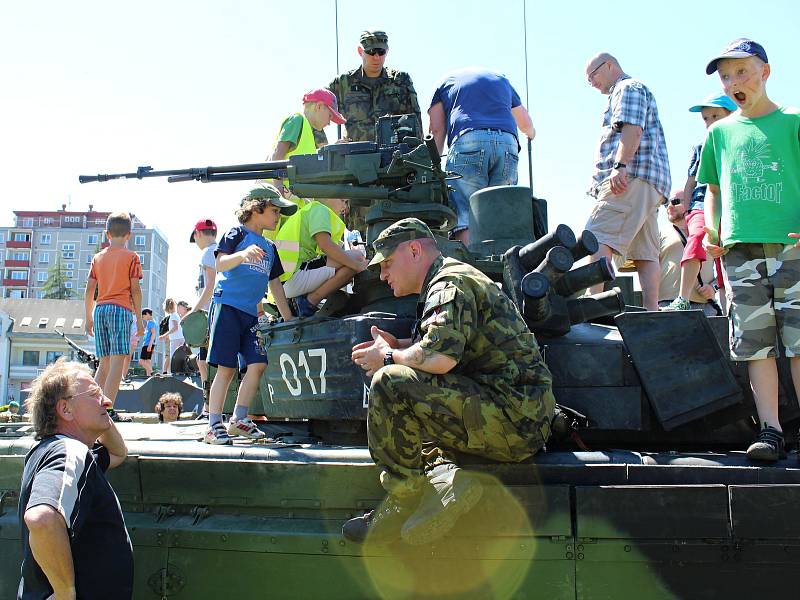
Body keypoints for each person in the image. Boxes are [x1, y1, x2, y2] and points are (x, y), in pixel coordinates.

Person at [343, 218, 555, 545]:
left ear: (414, 250)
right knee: (407, 384)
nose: (382, 275)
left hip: (513, 423)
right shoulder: (449, 277)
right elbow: (445, 346)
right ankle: (444, 478)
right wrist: (399, 346)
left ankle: (404, 497)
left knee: (390, 381)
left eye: (386, 263)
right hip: (514, 414)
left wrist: (387, 357)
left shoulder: (447, 284)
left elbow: (438, 359)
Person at [699, 38, 800, 462]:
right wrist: (709, 228)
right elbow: (713, 190)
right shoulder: (719, 132)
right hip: (740, 251)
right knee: (755, 342)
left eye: (742, 71)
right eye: (726, 75)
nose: (733, 81)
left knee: (798, 340)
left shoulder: (794, 121)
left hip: (792, 246)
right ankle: (771, 430)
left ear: (766, 72)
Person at [18, 358, 132, 599]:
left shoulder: (59, 451)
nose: (108, 401)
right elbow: (41, 519)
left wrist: (101, 413)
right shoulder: (69, 452)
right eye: (93, 394)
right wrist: (65, 594)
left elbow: (117, 453)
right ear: (65, 409)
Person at [205, 186, 297, 445]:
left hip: (251, 314)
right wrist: (242, 255)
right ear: (256, 209)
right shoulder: (236, 233)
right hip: (228, 306)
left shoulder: (269, 246)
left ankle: (239, 419)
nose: (278, 216)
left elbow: (275, 285)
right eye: (275, 211)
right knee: (226, 368)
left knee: (258, 364)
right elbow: (220, 263)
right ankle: (213, 425)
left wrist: (288, 317)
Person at [584, 53, 671, 311]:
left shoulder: (627, 87)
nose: (592, 83)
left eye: (593, 76)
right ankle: (651, 313)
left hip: (630, 177)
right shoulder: (632, 89)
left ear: (609, 66)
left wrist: (619, 167)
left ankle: (588, 310)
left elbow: (632, 128)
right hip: (649, 183)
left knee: (596, 237)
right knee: (646, 253)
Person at [428, 67, 536, 245]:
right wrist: (531, 134)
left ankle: (472, 268)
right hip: (508, 144)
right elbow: (525, 123)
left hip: (468, 140)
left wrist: (433, 167)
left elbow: (437, 129)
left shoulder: (444, 84)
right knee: (500, 213)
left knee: (465, 214)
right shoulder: (502, 80)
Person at [665, 93, 736, 311]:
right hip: (700, 203)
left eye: (716, 116)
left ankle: (726, 311)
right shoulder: (701, 147)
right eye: (706, 118)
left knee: (725, 252)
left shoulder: (737, 144)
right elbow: (691, 182)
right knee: (696, 237)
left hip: (730, 204)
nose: (710, 121)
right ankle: (683, 298)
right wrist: (686, 209)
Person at [84, 212, 144, 404]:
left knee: (104, 363)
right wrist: (140, 322)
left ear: (107, 234)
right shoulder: (132, 257)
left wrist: (88, 318)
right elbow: (135, 290)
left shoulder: (98, 258)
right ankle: (107, 408)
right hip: (120, 310)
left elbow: (89, 290)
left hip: (100, 310)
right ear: (129, 235)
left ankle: (92, 408)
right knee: (118, 360)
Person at [275, 197, 368, 318]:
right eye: (343, 201)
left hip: (286, 280)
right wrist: (358, 266)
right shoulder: (319, 210)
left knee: (349, 260)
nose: (345, 207)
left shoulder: (310, 211)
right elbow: (325, 246)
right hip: (292, 278)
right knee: (357, 257)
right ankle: (308, 302)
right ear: (329, 197)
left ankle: (304, 299)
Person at [328, 30, 421, 144]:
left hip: (394, 156)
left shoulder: (401, 81)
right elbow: (314, 107)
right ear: (360, 51)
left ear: (387, 51)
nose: (376, 57)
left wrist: (418, 154)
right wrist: (325, 146)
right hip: (356, 157)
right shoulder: (343, 83)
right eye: (371, 52)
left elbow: (415, 122)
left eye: (381, 52)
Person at [658, 191, 720, 315]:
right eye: (666, 204)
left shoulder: (709, 232)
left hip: (705, 306)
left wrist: (714, 287)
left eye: (675, 202)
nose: (669, 206)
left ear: (691, 202)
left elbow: (725, 267)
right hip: (667, 306)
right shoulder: (658, 233)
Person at [190, 218, 218, 416]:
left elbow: (209, 287)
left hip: (209, 316)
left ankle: (209, 406)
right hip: (219, 312)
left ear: (198, 234)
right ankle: (213, 405)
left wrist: (192, 313)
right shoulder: (221, 251)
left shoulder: (208, 253)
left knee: (204, 363)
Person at [158, 298, 185, 374]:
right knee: (180, 355)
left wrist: (164, 335)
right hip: (180, 338)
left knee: (173, 356)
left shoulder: (173, 316)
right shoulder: (176, 315)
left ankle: (173, 372)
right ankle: (180, 371)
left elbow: (175, 328)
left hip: (175, 339)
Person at [139, 308, 157, 376]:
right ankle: (149, 376)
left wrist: (150, 345)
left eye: (143, 316)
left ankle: (152, 372)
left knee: (141, 361)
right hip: (151, 344)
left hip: (147, 344)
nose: (143, 318)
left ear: (147, 314)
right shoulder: (154, 322)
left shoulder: (150, 322)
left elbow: (153, 333)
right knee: (147, 361)